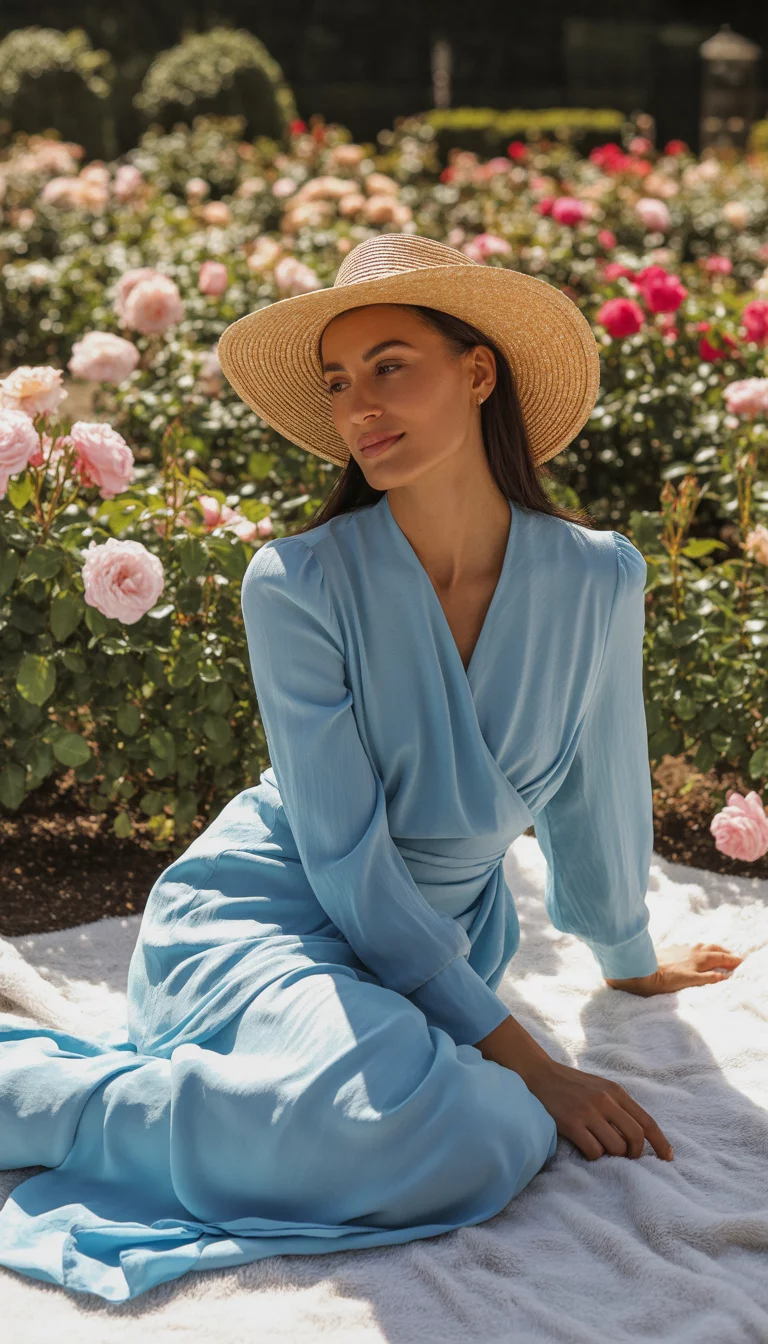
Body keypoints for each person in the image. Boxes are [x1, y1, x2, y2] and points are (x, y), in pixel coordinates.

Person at [0, 233, 742, 1303]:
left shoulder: (599, 576)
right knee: (465, 1120)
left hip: (436, 940)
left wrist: (627, 958)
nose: (359, 407)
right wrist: (537, 1064)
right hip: (267, 914)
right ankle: (36, 1096)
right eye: (340, 382)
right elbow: (344, 861)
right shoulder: (295, 583)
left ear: (478, 372)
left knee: (468, 1129)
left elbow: (603, 785)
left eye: (391, 365)